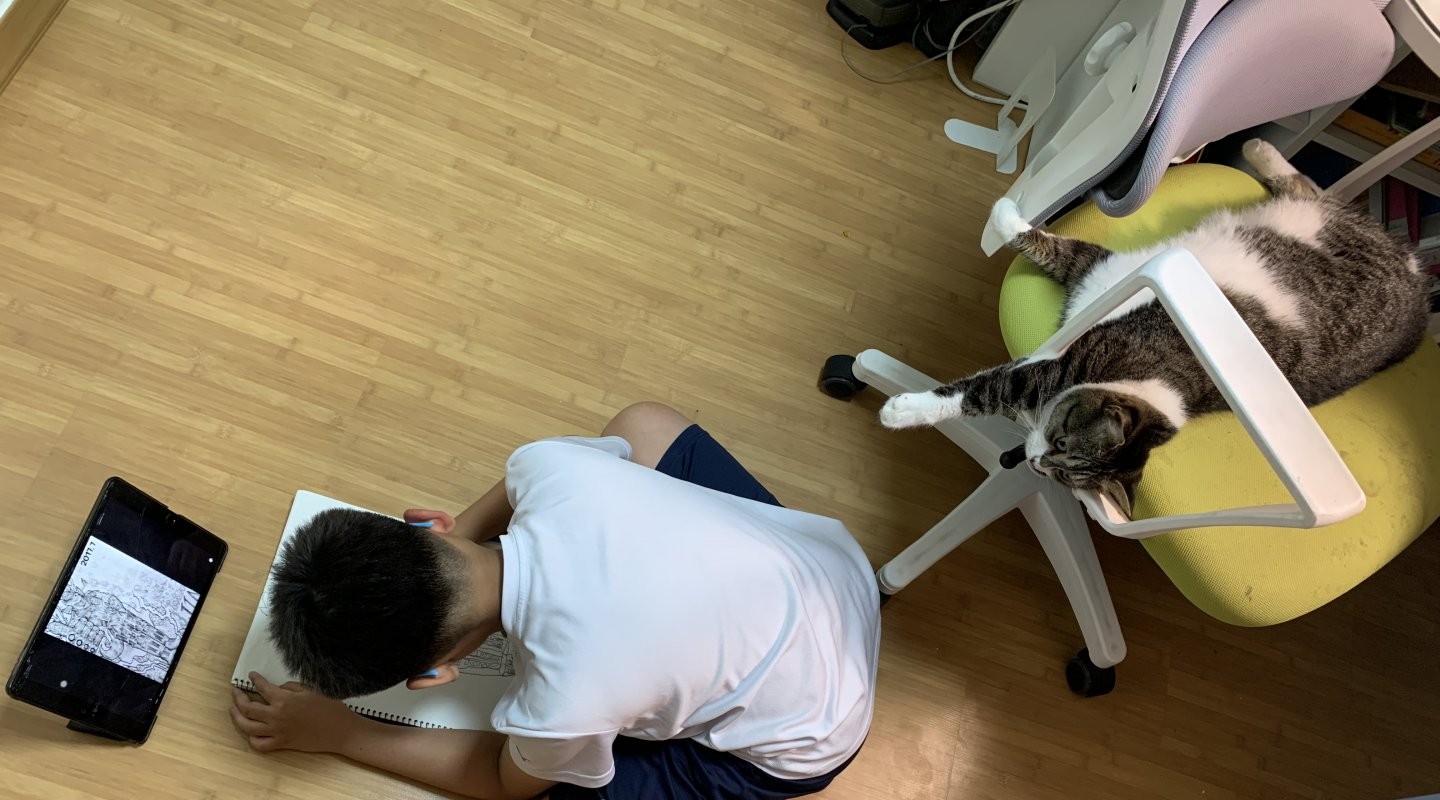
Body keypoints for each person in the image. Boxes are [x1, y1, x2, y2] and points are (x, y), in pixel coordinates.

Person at [229, 402, 881, 800]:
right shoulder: (544, 466)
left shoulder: (561, 705)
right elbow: (550, 475)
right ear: (429, 522)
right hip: (832, 565)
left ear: (436, 673)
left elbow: (500, 781)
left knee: (556, 790)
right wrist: (456, 539)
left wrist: (346, 733)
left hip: (818, 731)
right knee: (640, 426)